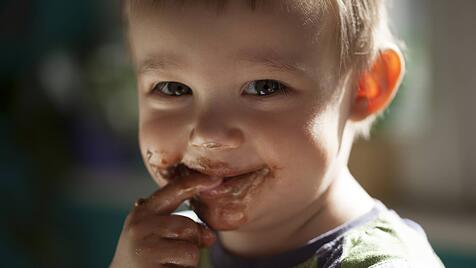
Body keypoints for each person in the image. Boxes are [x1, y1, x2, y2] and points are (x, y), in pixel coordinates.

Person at [110, 1, 445, 267]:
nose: (208, 134)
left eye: (263, 88)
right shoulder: (167, 252)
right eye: (173, 88)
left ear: (365, 87)